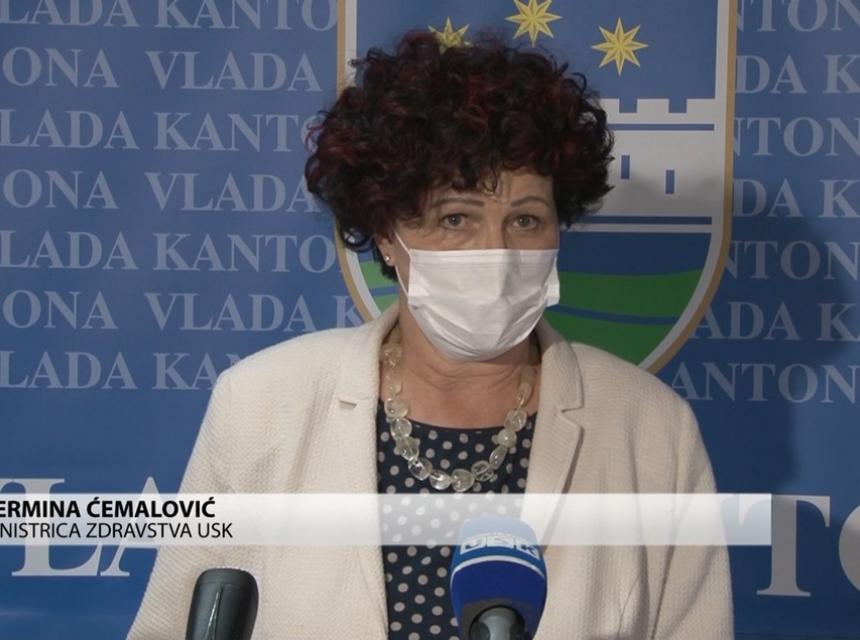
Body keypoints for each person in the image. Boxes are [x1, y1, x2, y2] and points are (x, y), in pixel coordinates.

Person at [128, 30, 733, 639]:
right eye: (456, 218)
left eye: (526, 219)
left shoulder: (651, 429)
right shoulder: (260, 405)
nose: (497, 252)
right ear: (386, 235)